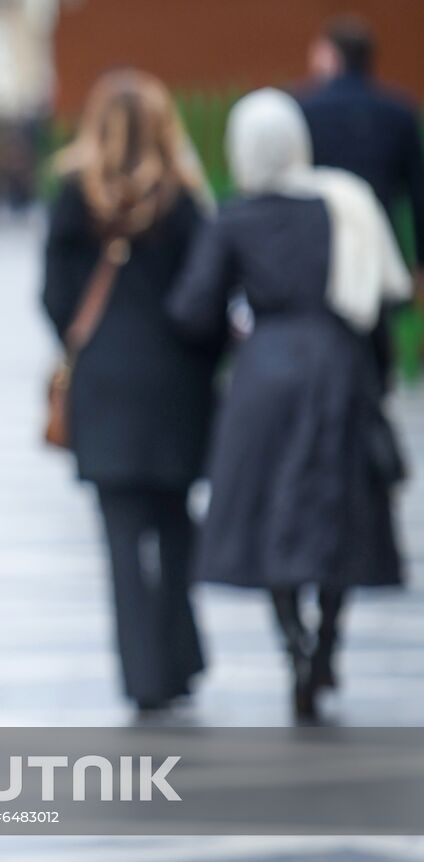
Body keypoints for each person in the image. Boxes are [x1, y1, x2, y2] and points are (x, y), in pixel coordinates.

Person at [169, 88, 410, 721]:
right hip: (340, 367)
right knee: (336, 514)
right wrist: (378, 378)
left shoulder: (237, 217)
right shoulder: (343, 205)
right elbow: (379, 303)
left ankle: (294, 645)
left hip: (265, 377)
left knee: (270, 516)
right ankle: (328, 641)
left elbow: (194, 309)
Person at [42, 70, 218, 715]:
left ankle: (143, 676)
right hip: (176, 383)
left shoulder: (72, 193)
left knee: (119, 536)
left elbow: (54, 295)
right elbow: (209, 300)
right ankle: (182, 658)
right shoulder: (186, 201)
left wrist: (83, 341)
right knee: (176, 521)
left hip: (104, 384)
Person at [301, 15, 424, 287]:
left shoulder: (303, 110)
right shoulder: (401, 112)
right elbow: (419, 193)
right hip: (380, 247)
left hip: (320, 247)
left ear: (330, 56)